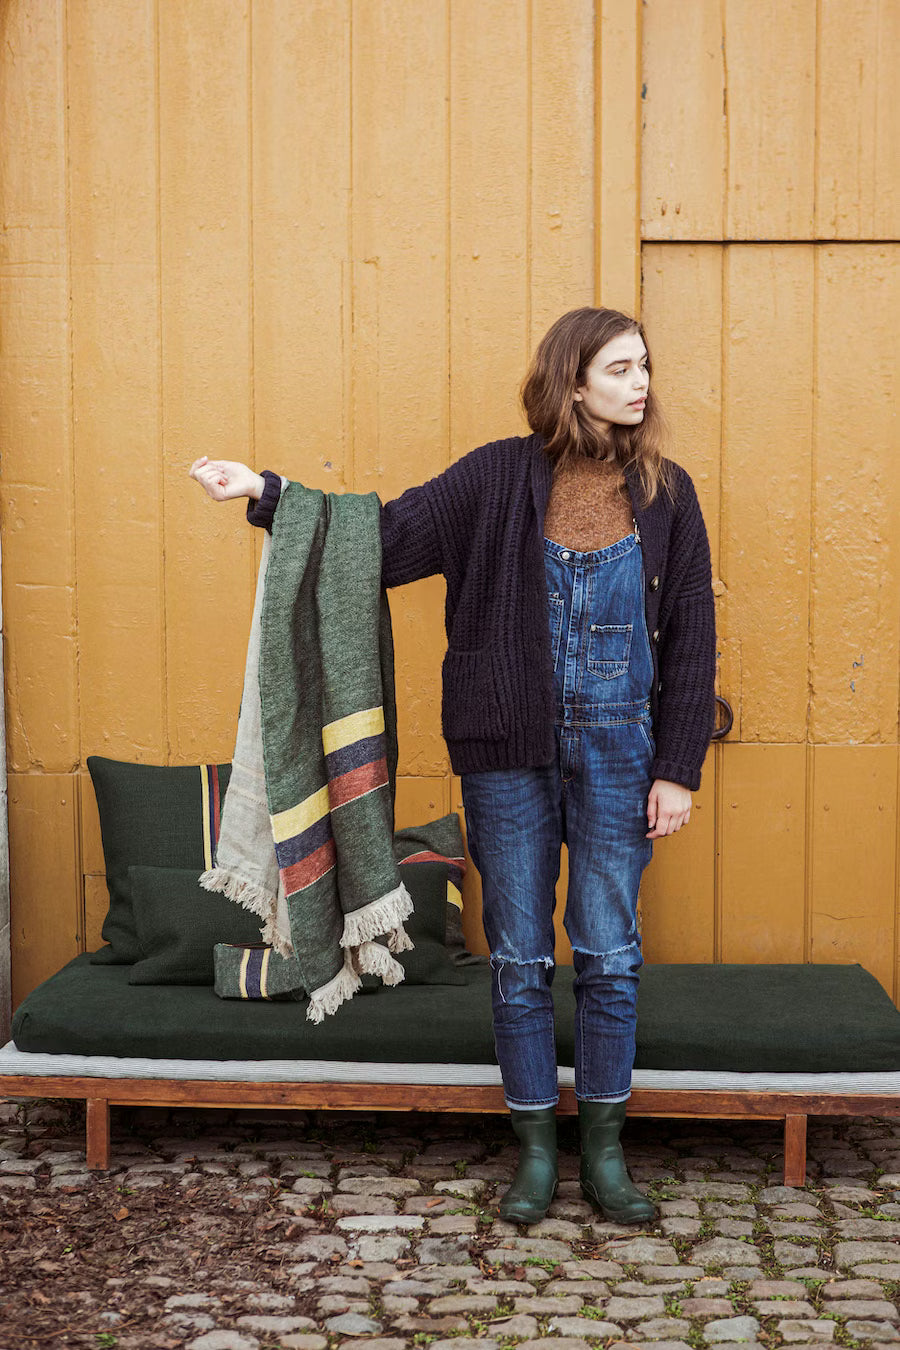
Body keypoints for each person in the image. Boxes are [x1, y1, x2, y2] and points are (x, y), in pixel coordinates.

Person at [190, 305, 717, 1227]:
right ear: (573, 380)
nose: (642, 385)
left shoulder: (667, 492)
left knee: (608, 954)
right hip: (504, 754)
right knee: (516, 956)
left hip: (621, 754)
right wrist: (264, 491)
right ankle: (536, 1155)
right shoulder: (494, 477)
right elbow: (379, 540)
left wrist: (676, 768)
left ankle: (604, 1150)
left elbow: (697, 643)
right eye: (622, 369)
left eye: (644, 368)